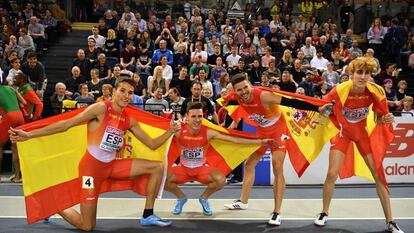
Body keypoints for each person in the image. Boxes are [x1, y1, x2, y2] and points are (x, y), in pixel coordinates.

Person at [9, 78, 180, 231]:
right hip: (90, 172)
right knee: (87, 225)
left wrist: (170, 132)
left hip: (112, 167)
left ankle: (148, 215)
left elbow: (151, 144)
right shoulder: (100, 109)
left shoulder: (129, 119)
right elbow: (66, 124)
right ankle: (54, 205)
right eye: (122, 91)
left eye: (130, 93)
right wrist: (30, 135)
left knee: (157, 167)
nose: (126, 96)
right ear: (113, 92)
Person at [223, 73, 331, 226]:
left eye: (246, 87)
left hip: (278, 130)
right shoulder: (237, 96)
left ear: (250, 85)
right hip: (262, 131)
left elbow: (291, 102)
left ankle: (276, 212)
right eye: (239, 90)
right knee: (249, 164)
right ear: (235, 90)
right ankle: (243, 201)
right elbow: (230, 100)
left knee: (277, 166)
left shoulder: (264, 96)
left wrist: (317, 108)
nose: (243, 92)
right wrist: (225, 100)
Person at [314, 57, 404, 233]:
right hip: (343, 134)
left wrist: (386, 119)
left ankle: (391, 222)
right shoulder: (339, 89)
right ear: (351, 74)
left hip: (362, 135)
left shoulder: (376, 91)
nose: (363, 77)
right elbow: (322, 107)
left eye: (367, 73)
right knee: (332, 174)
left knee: (379, 175)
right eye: (359, 72)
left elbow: (379, 120)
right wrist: (323, 109)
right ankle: (324, 213)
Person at [165, 102, 275, 216]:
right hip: (183, 170)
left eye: (200, 116)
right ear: (186, 117)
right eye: (193, 116)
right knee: (162, 180)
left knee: (221, 180)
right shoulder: (178, 131)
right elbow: (158, 134)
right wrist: (169, 127)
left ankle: (204, 198)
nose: (197, 120)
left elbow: (235, 140)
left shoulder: (208, 132)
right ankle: (181, 198)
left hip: (201, 170)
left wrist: (261, 142)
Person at [0, 85, 26, 182]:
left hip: (9, 116)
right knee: (16, 148)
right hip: (20, 116)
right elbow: (24, 102)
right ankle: (17, 177)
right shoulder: (10, 88)